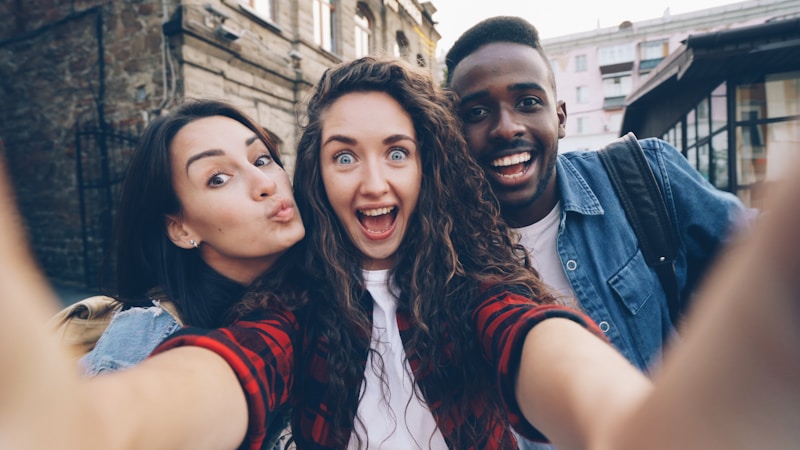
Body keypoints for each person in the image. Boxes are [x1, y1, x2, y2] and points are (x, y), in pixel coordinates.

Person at [2, 57, 800, 450]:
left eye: (397, 151)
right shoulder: (291, 305)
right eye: (344, 155)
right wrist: (97, 424)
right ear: (318, 170)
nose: (373, 180)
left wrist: (634, 422)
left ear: (430, 167)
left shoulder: (477, 286)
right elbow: (228, 370)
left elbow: (540, 341)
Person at [444, 15, 747, 372]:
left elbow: (767, 256)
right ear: (451, 133)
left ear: (560, 119)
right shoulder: (444, 254)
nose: (506, 128)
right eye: (477, 112)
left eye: (527, 102)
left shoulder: (644, 175)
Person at [57, 99, 305, 379]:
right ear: (181, 229)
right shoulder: (146, 346)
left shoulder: (318, 286)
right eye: (218, 178)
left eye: (262, 160)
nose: (265, 183)